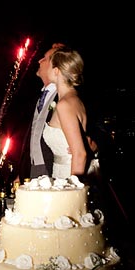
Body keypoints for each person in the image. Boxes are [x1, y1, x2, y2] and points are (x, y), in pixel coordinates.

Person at [42, 45, 93, 179]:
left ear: (57, 71)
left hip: (68, 174)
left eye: (50, 65)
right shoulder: (75, 100)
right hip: (61, 172)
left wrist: (71, 189)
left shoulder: (64, 105)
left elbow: (80, 154)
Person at [22, 43, 65, 179]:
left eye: (45, 58)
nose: (39, 61)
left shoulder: (64, 97)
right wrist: (23, 171)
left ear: (56, 67)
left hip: (53, 170)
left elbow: (97, 131)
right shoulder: (36, 96)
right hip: (33, 170)